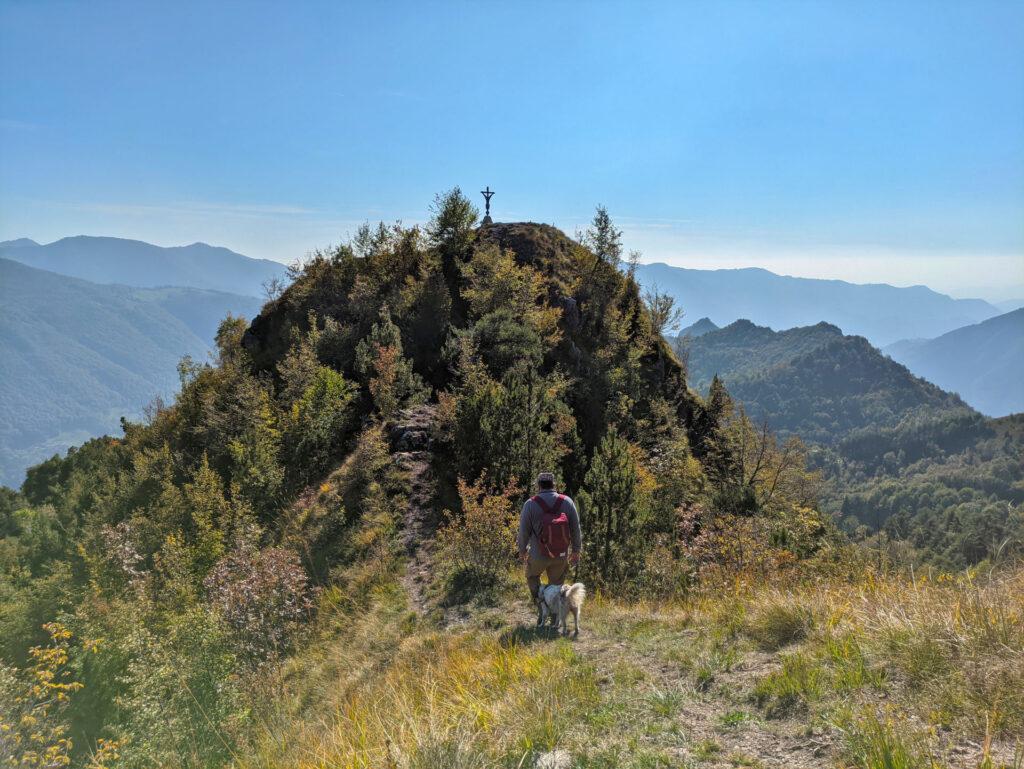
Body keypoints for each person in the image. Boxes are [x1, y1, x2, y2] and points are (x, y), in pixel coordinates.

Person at [517, 472, 583, 605]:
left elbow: (524, 531)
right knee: (557, 585)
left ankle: (539, 603)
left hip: (537, 554)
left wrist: (522, 550)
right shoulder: (567, 501)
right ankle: (554, 615)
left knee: (532, 576)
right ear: (554, 484)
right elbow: (576, 529)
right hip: (560, 554)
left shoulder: (530, 504)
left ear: (539, 486)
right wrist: (576, 551)